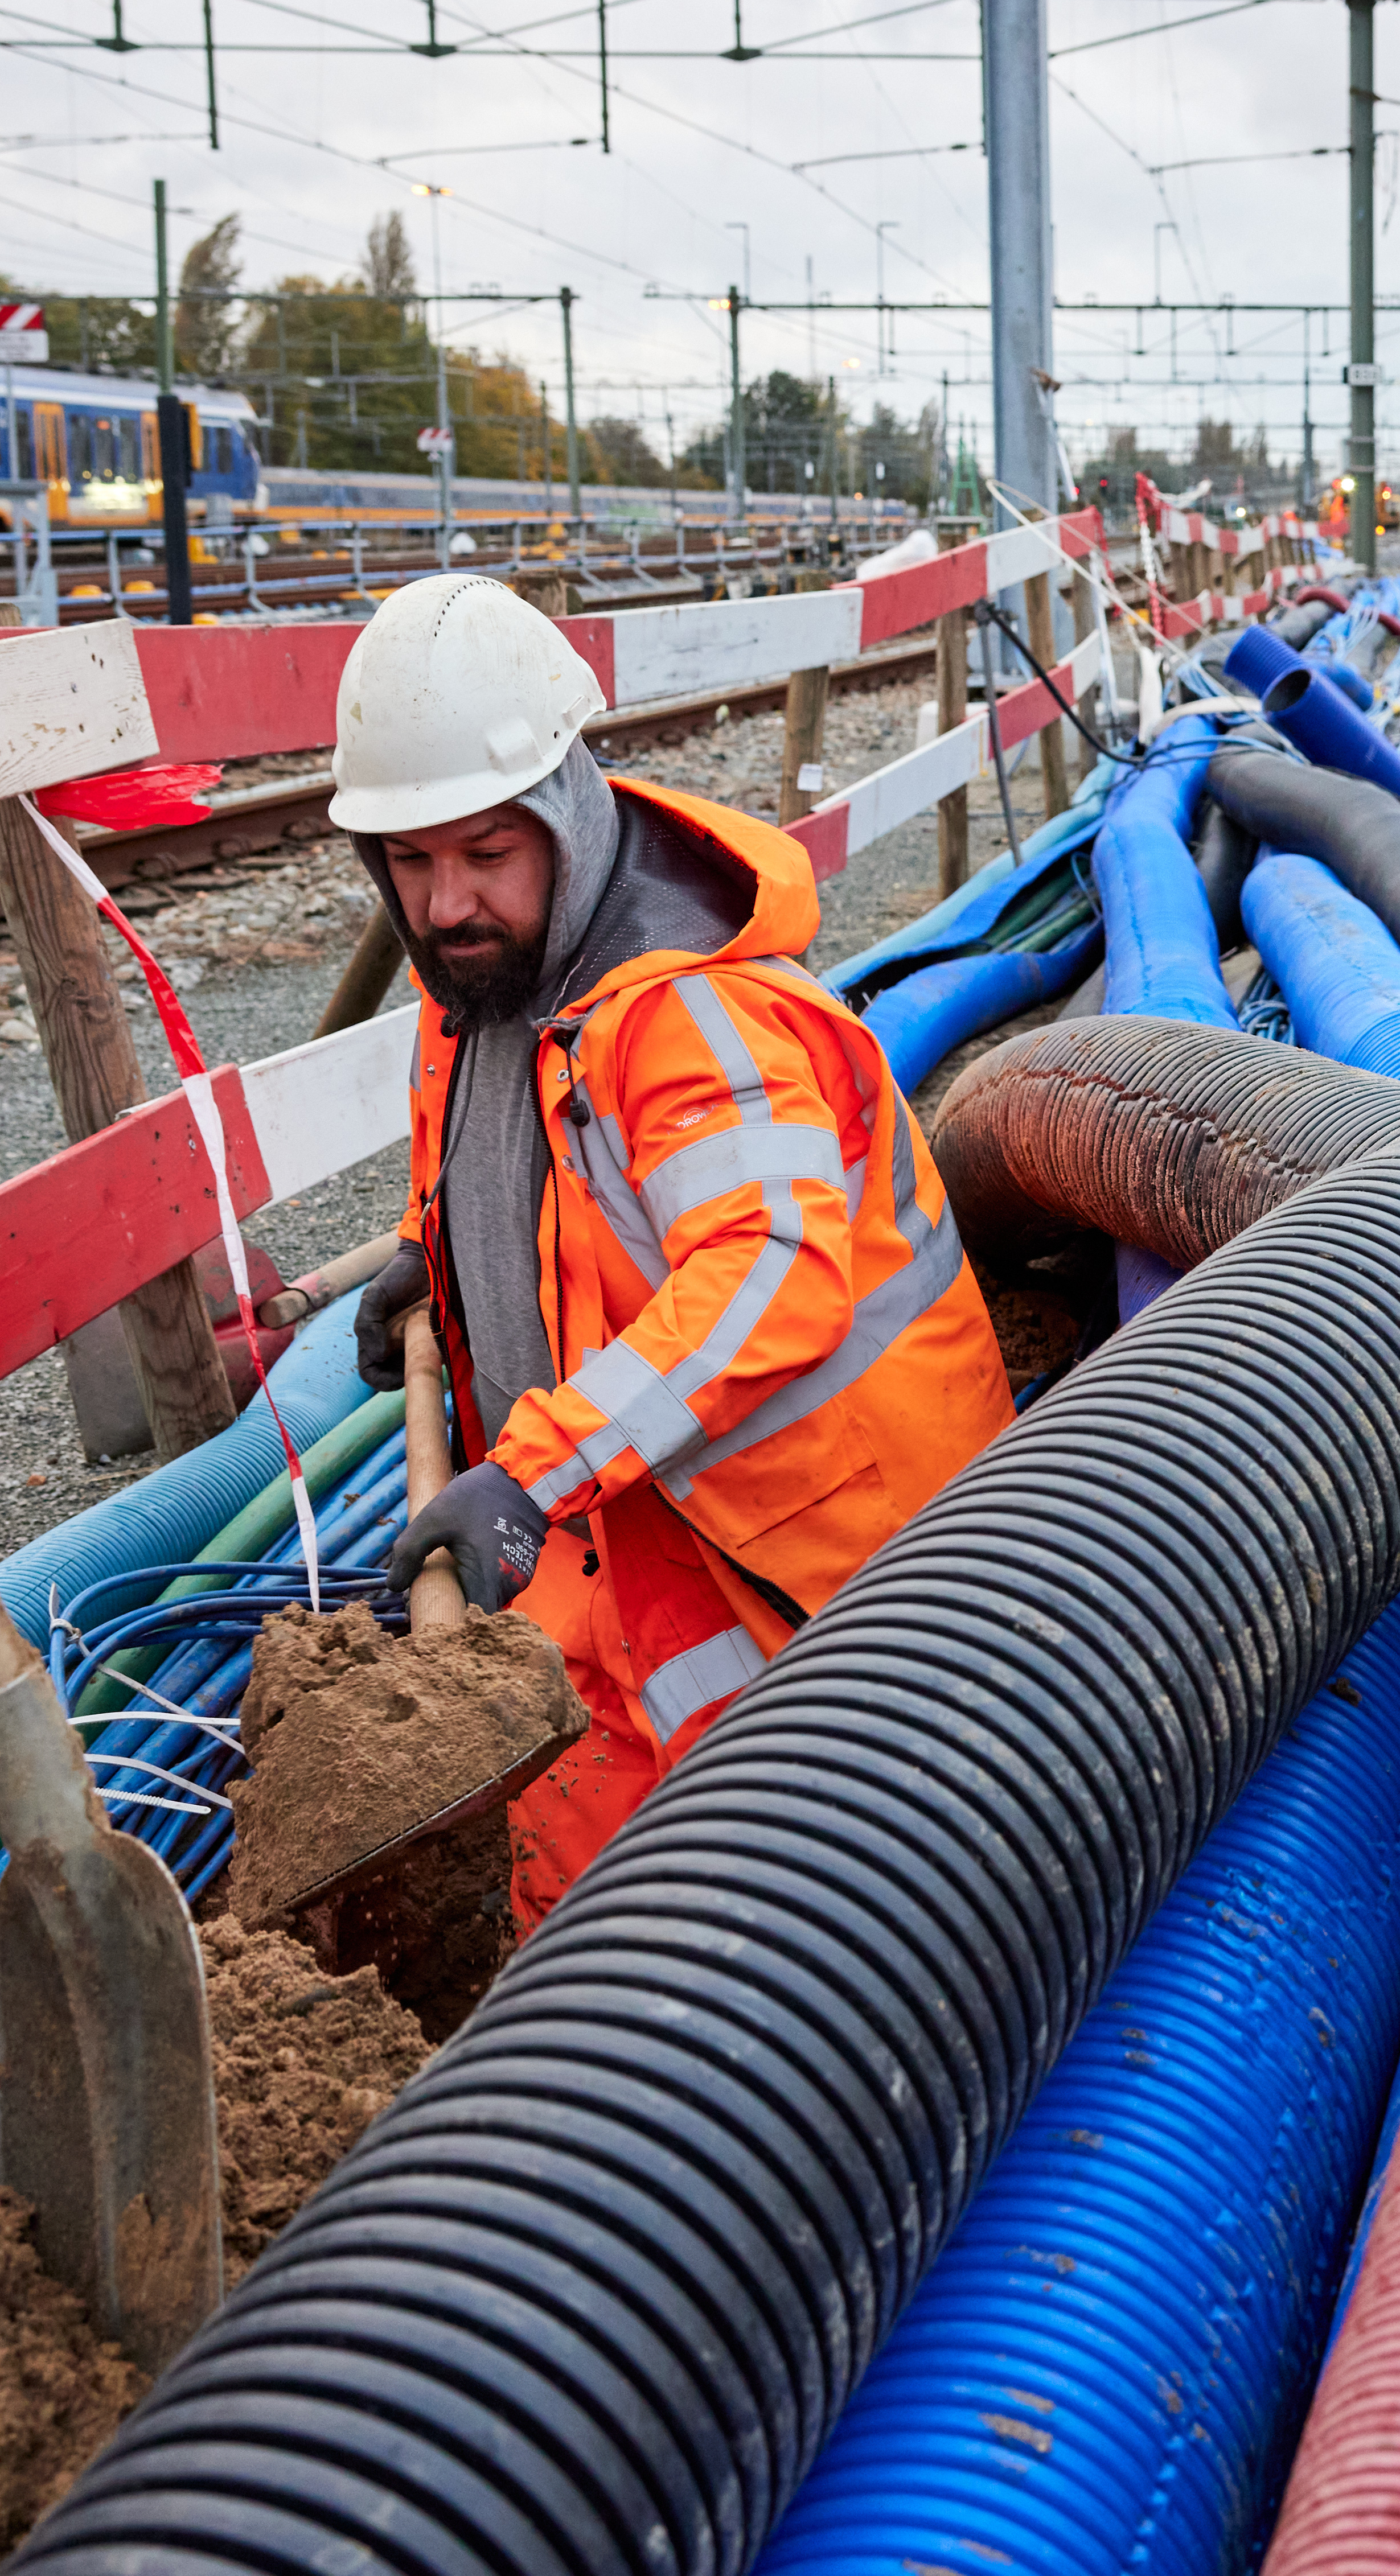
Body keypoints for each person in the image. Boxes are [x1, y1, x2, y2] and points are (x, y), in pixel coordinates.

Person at [335, 574, 1016, 1928]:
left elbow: (765, 1277)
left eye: (484, 853)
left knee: (767, 1944)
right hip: (624, 1544)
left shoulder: (693, 1022)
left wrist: (525, 1474)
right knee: (578, 1942)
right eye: (411, 866)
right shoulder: (484, 995)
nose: (449, 901)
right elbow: (542, 1188)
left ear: (563, 823)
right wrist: (445, 1264)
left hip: (822, 1590)